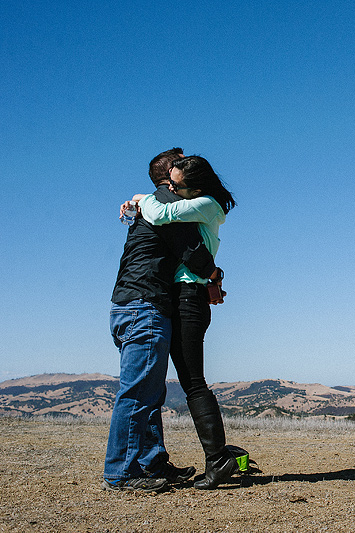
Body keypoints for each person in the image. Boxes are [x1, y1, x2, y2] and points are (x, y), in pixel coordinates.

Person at [104, 148, 223, 492]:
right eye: (182, 163)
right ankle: (121, 473)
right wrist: (214, 276)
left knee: (150, 393)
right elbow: (193, 251)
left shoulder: (151, 208)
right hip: (145, 306)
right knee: (138, 394)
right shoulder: (164, 212)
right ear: (171, 175)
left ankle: (152, 461)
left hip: (129, 304)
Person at [129, 155, 243, 490]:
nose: (171, 189)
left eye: (176, 185)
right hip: (187, 296)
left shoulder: (206, 204)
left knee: (193, 381)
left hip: (190, 298)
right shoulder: (196, 203)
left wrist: (142, 198)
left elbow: (160, 212)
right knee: (190, 379)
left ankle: (218, 458)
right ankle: (218, 457)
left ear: (194, 187)